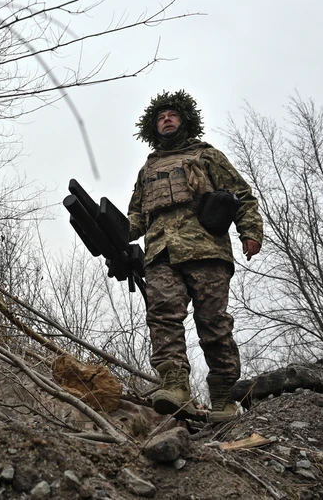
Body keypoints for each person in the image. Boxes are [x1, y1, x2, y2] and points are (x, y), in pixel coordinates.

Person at [127, 90, 263, 423]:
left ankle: (222, 399)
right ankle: (174, 387)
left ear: (184, 119)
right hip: (161, 252)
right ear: (152, 127)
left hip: (205, 249)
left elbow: (242, 195)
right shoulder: (149, 168)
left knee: (213, 324)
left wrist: (250, 232)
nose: (166, 120)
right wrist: (111, 232)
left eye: (172, 115)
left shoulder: (206, 156)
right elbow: (136, 216)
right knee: (162, 317)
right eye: (160, 117)